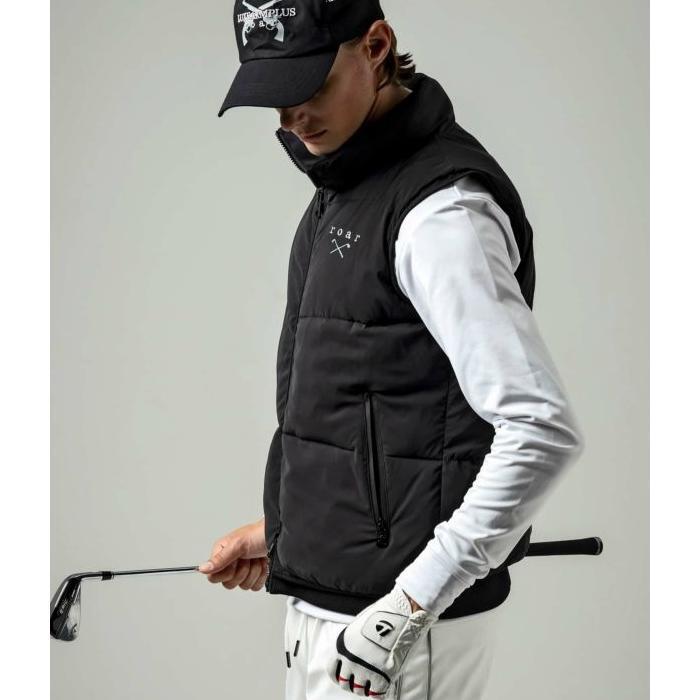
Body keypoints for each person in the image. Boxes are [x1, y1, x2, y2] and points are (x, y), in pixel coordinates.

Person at [198, 2, 585, 698]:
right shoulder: (346, 186)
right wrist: (292, 533)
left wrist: (411, 606)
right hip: (331, 616)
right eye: (275, 97)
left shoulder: (442, 212)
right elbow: (366, 407)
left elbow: (540, 428)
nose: (292, 118)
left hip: (395, 635)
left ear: (376, 46)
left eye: (308, 86)